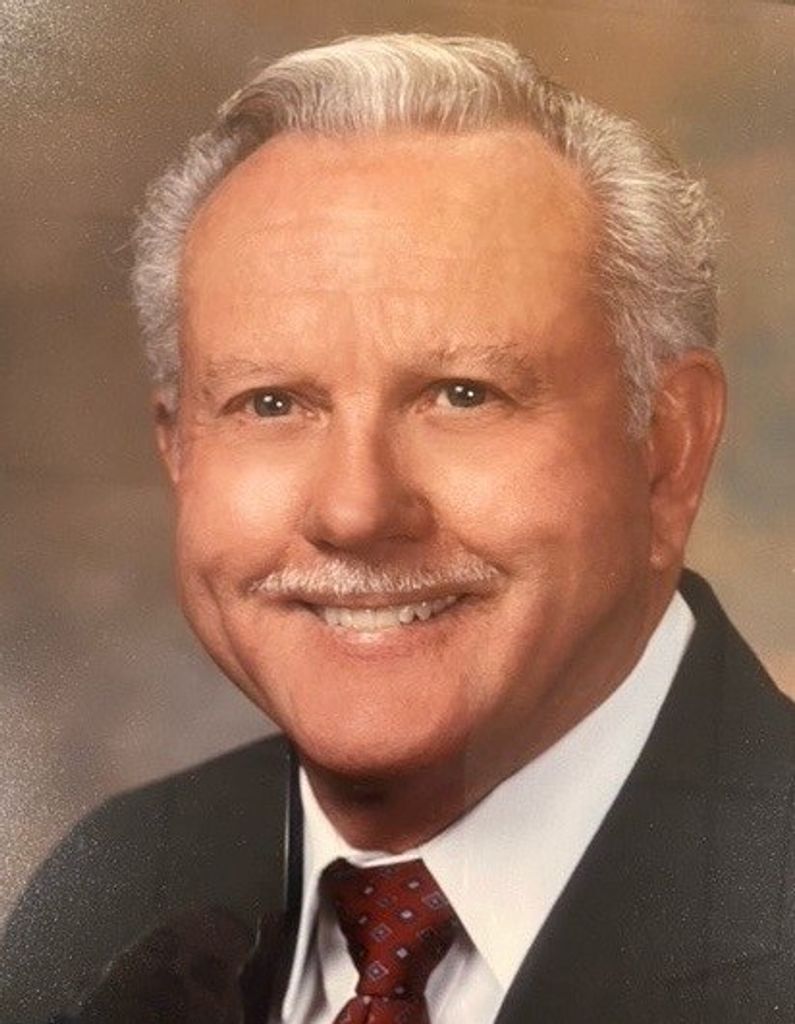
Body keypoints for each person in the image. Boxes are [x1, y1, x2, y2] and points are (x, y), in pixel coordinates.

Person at [2, 32, 793, 1024]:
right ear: (179, 451)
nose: (356, 510)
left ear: (667, 449)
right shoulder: (112, 892)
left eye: (462, 394)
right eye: (271, 403)